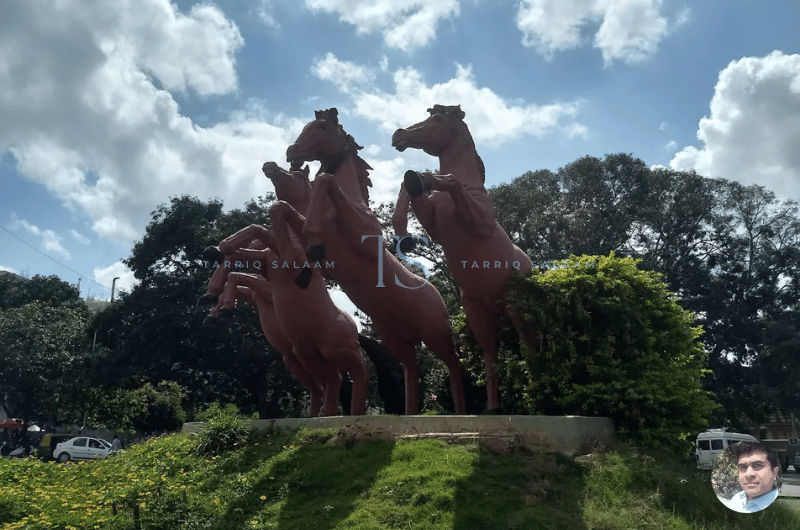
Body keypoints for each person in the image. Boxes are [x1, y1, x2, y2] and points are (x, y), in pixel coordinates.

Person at [718, 441, 781, 513]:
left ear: (774, 473)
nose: (748, 474)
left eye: (757, 466)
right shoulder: (737, 499)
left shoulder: (777, 509)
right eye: (743, 467)